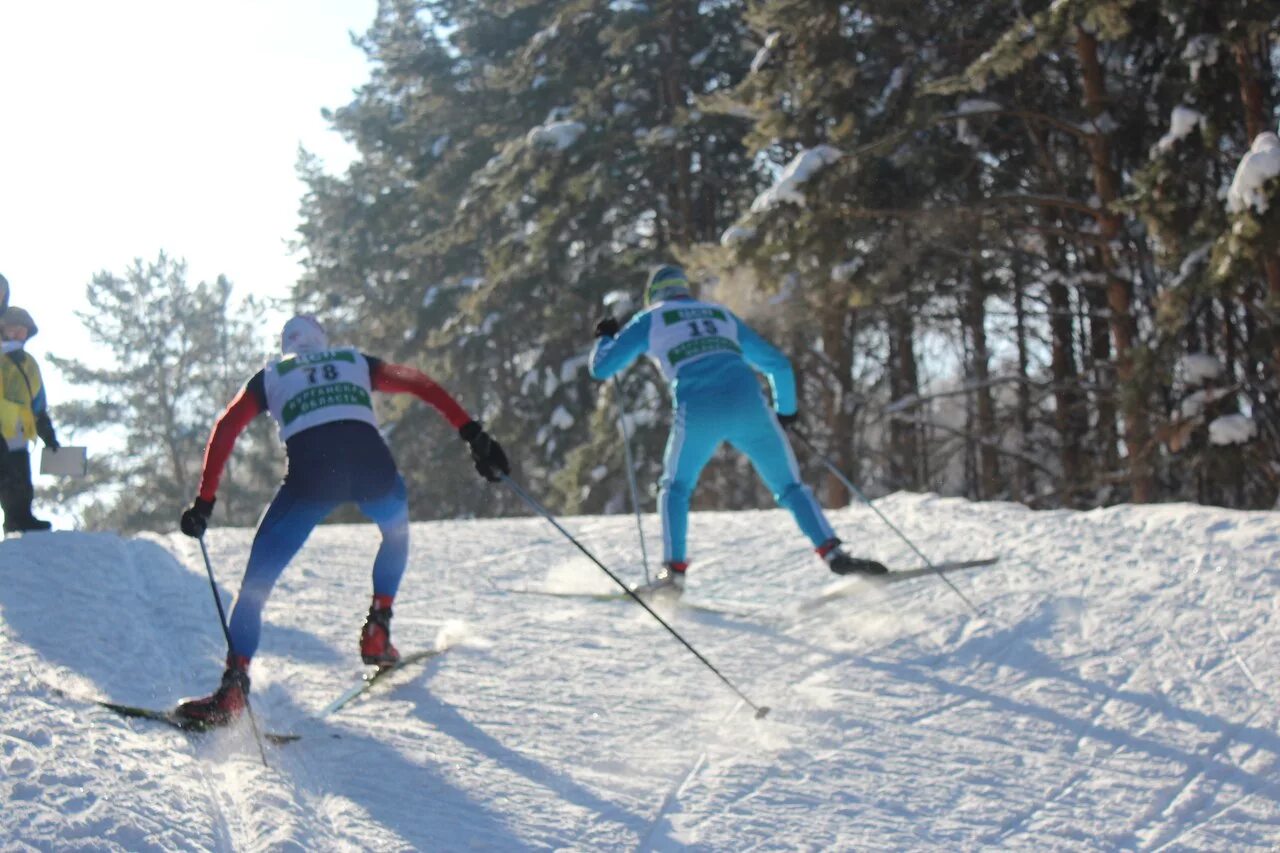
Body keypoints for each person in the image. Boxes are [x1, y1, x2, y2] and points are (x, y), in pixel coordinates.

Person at [174, 314, 510, 726]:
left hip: (312, 478)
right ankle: (379, 626)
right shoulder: (353, 361)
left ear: (287, 346)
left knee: (256, 585)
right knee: (395, 532)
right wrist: (473, 433)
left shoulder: (272, 375)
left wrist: (205, 501)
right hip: (373, 469)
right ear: (323, 341)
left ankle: (233, 686)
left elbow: (226, 427)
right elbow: (418, 383)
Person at [589, 265, 886, 595]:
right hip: (750, 406)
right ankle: (834, 554)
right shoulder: (719, 314)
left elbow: (603, 368)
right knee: (790, 486)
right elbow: (778, 365)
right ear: (685, 290)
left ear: (652, 295)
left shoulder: (651, 318)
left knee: (676, 486)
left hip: (698, 408)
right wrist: (786, 412)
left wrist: (605, 337)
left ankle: (673, 573)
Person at [0, 306, 59, 534]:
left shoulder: (29, 364)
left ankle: (20, 519)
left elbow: (38, 403)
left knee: (20, 479)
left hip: (18, 433)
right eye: (15, 328)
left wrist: (48, 435)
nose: (19, 334)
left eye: (24, 331)